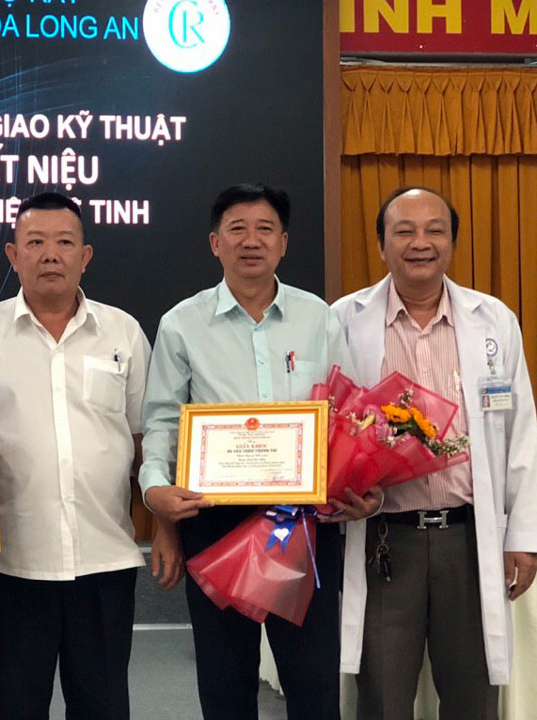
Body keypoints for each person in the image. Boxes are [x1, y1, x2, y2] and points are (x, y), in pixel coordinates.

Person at [139, 183, 379, 720]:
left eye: (265, 229)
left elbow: (347, 412)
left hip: (304, 522)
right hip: (215, 521)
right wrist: (154, 490)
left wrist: (359, 481)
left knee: (314, 683)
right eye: (237, 230)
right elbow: (161, 421)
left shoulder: (318, 317)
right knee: (225, 683)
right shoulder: (182, 323)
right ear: (215, 243)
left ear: (283, 243)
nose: (252, 241)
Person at [333, 186, 537, 719]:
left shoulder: (494, 320)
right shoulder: (344, 319)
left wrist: (523, 537)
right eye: (404, 231)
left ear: (452, 242)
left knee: (472, 696)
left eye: (434, 230)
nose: (420, 243)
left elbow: (521, 432)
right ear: (381, 245)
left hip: (469, 538)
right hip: (384, 540)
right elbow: (330, 425)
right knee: (383, 697)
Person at [0, 190, 153, 719]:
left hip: (105, 558)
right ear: (12, 254)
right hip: (12, 563)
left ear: (85, 255)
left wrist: (166, 531)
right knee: (12, 707)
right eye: (35, 242)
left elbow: (145, 439)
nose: (50, 255)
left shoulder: (124, 332)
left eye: (64, 243)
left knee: (103, 707)